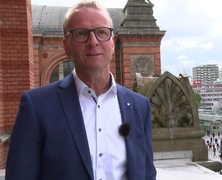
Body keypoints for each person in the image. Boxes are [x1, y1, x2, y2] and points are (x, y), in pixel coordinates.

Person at [5, 1, 157, 180]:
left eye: (101, 32)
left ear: (112, 42)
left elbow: (147, 173)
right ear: (66, 46)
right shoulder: (36, 106)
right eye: (81, 34)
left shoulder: (140, 106)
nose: (93, 42)